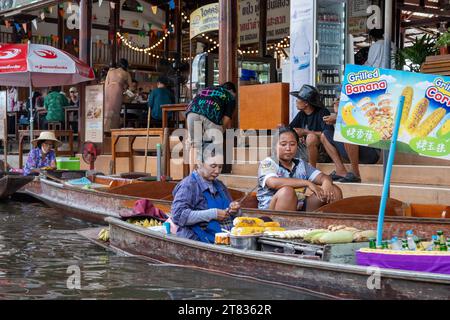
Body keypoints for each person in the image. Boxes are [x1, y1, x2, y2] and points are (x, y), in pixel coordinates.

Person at [257, 127, 342, 212]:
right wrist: (307, 183)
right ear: (274, 146)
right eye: (283, 144)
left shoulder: (300, 163)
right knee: (287, 192)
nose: (288, 148)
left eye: (292, 144)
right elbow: (273, 183)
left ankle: (333, 224)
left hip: (299, 207)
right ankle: (284, 224)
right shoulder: (267, 163)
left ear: (297, 146)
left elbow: (323, 177)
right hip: (270, 212)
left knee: (334, 190)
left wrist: (327, 183)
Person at [171, 150, 241, 242]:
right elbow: (178, 215)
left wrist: (235, 210)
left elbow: (234, 213)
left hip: (226, 241)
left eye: (220, 167)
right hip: (200, 242)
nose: (217, 171)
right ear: (200, 163)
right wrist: (213, 214)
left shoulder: (219, 185)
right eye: (213, 166)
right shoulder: (188, 185)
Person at [320, 99, 380, 183]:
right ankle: (341, 171)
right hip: (352, 149)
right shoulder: (346, 106)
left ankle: (355, 174)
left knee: (349, 133)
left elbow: (358, 122)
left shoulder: (367, 104)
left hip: (370, 151)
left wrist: (338, 118)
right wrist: (338, 111)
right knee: (324, 135)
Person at [185, 82, 237, 171]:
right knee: (213, 146)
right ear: (232, 92)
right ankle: (209, 175)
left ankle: (192, 176)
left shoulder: (207, 89)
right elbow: (226, 119)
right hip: (210, 115)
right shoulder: (230, 97)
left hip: (192, 113)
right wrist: (220, 132)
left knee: (194, 145)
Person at [289, 84, 333, 167]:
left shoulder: (323, 112)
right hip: (305, 150)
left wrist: (306, 132)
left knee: (311, 137)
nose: (296, 101)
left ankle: (312, 170)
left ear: (306, 103)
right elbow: (290, 128)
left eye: (298, 99)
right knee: (283, 134)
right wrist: (296, 134)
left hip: (322, 152)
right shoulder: (301, 114)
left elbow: (328, 134)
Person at [104, 58, 132, 132]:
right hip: (118, 91)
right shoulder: (126, 73)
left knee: (107, 110)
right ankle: (113, 131)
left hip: (108, 91)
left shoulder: (110, 71)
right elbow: (131, 87)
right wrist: (126, 93)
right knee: (115, 111)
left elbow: (106, 84)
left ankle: (104, 130)